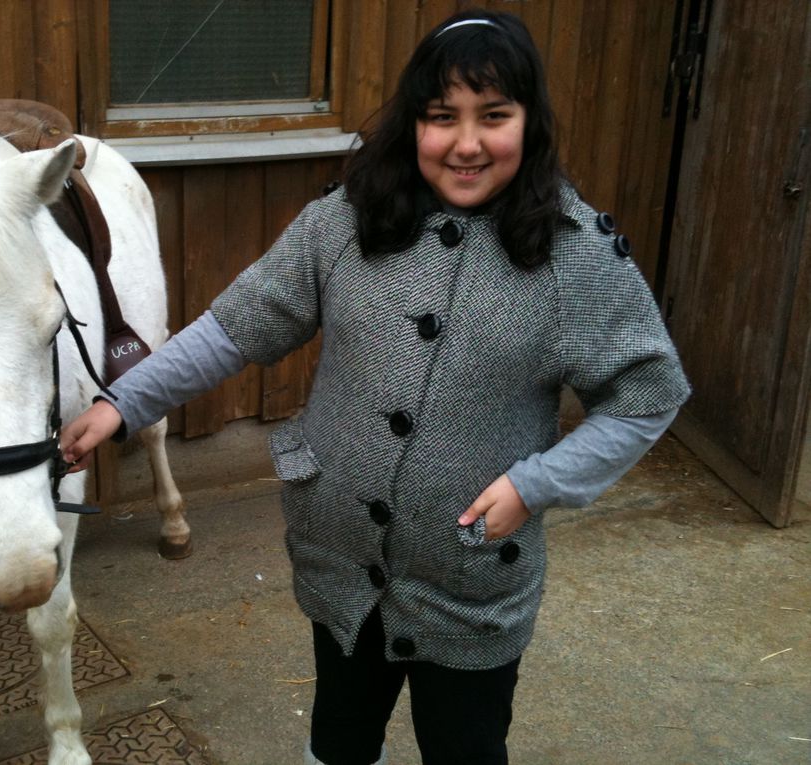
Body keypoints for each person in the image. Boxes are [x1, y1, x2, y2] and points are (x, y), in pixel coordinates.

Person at [60, 9, 690, 765]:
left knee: (465, 747)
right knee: (340, 739)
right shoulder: (345, 223)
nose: (465, 143)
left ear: (531, 122)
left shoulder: (574, 256)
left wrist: (536, 483)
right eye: (440, 117)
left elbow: (646, 395)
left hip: (471, 584)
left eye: (494, 116)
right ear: (412, 123)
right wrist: (124, 401)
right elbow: (236, 326)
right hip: (342, 565)